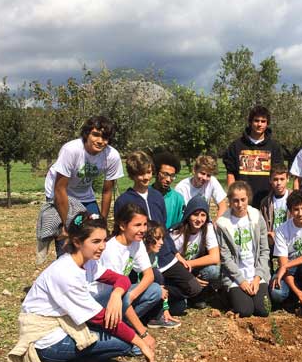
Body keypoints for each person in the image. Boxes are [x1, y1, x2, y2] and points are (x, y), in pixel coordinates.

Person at [8, 212, 154, 362]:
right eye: (95, 242)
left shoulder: (88, 261)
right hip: (45, 337)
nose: (102, 247)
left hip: (64, 320)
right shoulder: (65, 273)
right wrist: (140, 341)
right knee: (125, 344)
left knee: (120, 302)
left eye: (104, 240)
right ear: (77, 242)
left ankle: (91, 360)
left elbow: (122, 279)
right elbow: (99, 318)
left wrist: (116, 294)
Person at [114, 152, 206, 311]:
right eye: (140, 173)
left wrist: (176, 254)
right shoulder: (123, 201)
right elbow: (120, 235)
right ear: (132, 175)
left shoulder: (157, 197)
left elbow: (163, 228)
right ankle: (157, 298)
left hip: (164, 255)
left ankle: (164, 291)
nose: (145, 177)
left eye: (148, 172)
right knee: (175, 308)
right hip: (141, 258)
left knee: (194, 287)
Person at [43, 116, 124, 256]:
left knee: (95, 234)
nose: (100, 141)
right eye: (96, 135)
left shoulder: (112, 156)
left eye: (105, 137)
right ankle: (64, 265)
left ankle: (90, 271)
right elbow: (59, 188)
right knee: (68, 238)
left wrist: (102, 221)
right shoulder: (71, 150)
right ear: (87, 134)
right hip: (60, 193)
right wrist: (67, 226)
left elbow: (107, 191)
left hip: (85, 194)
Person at [95, 203, 163, 335]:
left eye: (144, 224)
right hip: (103, 297)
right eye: (137, 225)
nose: (143, 229)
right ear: (122, 226)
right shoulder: (112, 250)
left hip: (120, 294)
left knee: (155, 289)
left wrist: (131, 296)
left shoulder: (136, 242)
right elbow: (114, 293)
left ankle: (121, 324)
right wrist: (143, 333)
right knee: (124, 298)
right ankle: (113, 326)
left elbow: (149, 275)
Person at [216, 182, 270, 317]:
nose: (239, 204)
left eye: (243, 200)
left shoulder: (257, 217)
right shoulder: (223, 224)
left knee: (263, 310)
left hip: (255, 272)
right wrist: (241, 281)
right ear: (230, 201)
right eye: (235, 200)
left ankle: (247, 294)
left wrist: (257, 277)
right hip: (236, 275)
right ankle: (227, 295)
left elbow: (264, 251)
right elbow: (225, 257)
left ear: (248, 198)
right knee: (245, 310)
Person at [223, 105, 284, 208]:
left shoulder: (274, 147)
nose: (259, 124)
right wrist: (231, 197)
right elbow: (231, 174)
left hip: (267, 202)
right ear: (250, 122)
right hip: (242, 203)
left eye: (263, 121)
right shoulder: (236, 146)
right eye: (256, 120)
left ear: (267, 123)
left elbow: (278, 175)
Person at [170, 195, 221, 289]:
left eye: (203, 215)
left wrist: (189, 264)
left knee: (215, 271)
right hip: (176, 271)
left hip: (191, 267)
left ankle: (200, 294)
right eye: (195, 214)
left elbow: (215, 257)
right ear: (188, 215)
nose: (199, 219)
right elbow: (171, 263)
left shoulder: (207, 228)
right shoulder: (177, 234)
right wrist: (189, 278)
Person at [143, 220, 182, 328]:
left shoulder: (153, 256)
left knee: (180, 306)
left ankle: (161, 313)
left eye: (162, 238)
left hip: (151, 290)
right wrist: (155, 289)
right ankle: (155, 317)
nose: (161, 243)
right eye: (157, 238)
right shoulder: (138, 257)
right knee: (157, 275)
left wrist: (165, 308)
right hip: (140, 292)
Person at [175, 155, 228, 220]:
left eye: (208, 175)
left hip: (204, 222)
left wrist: (216, 223)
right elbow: (178, 213)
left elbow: (223, 206)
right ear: (194, 170)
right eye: (202, 173)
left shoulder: (212, 181)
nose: (205, 178)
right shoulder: (182, 187)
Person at [259, 163, 292, 248]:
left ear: (288, 179)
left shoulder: (294, 198)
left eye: (282, 179)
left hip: (290, 239)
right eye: (275, 179)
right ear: (270, 180)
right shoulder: (265, 202)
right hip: (271, 241)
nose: (279, 183)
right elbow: (262, 225)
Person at [152, 152, 185, 229]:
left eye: (172, 176)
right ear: (156, 173)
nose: (168, 179)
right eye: (165, 174)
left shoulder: (178, 199)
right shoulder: (146, 194)